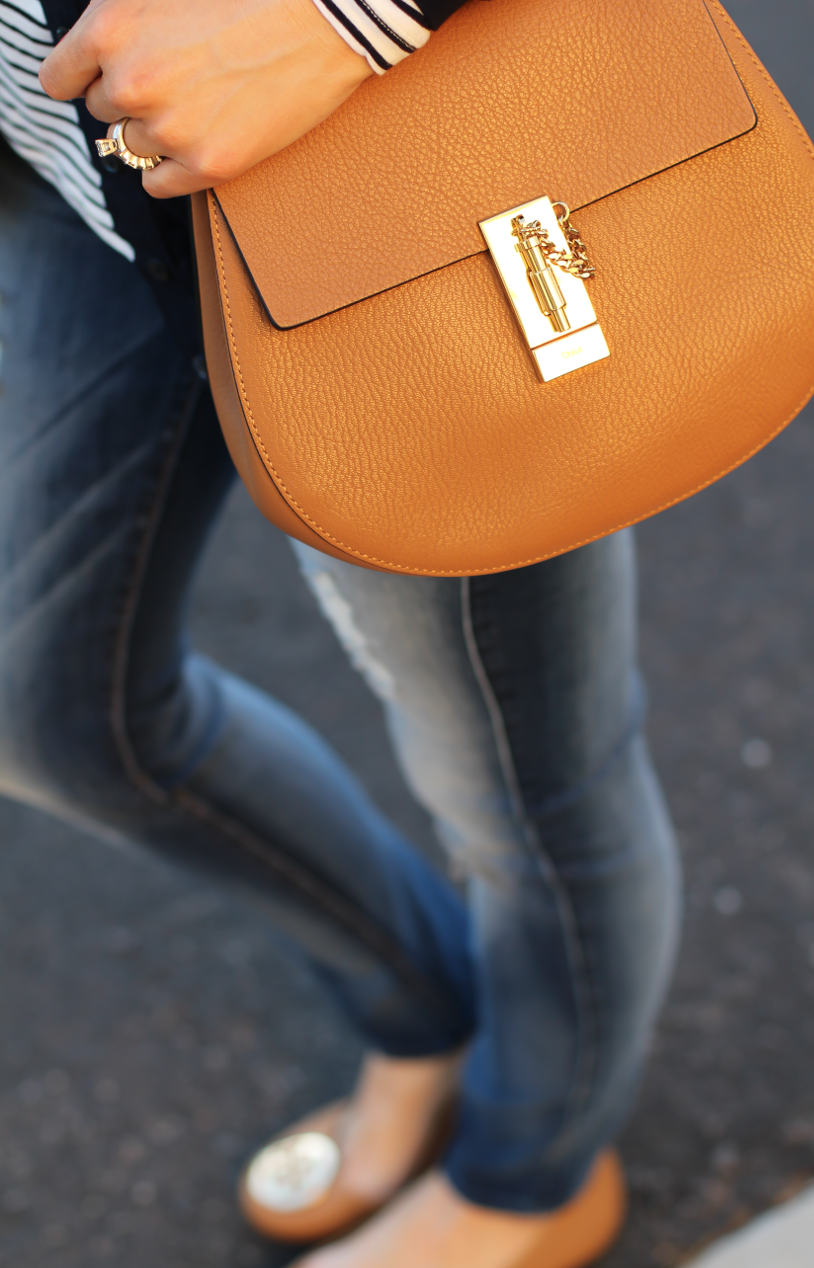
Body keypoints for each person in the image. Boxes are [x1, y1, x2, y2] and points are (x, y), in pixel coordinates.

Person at [0, 0, 681, 1264]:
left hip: (376, 165)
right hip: (77, 166)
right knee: (43, 709)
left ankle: (526, 1178)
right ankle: (431, 1012)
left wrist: (338, 15)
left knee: (524, 775)